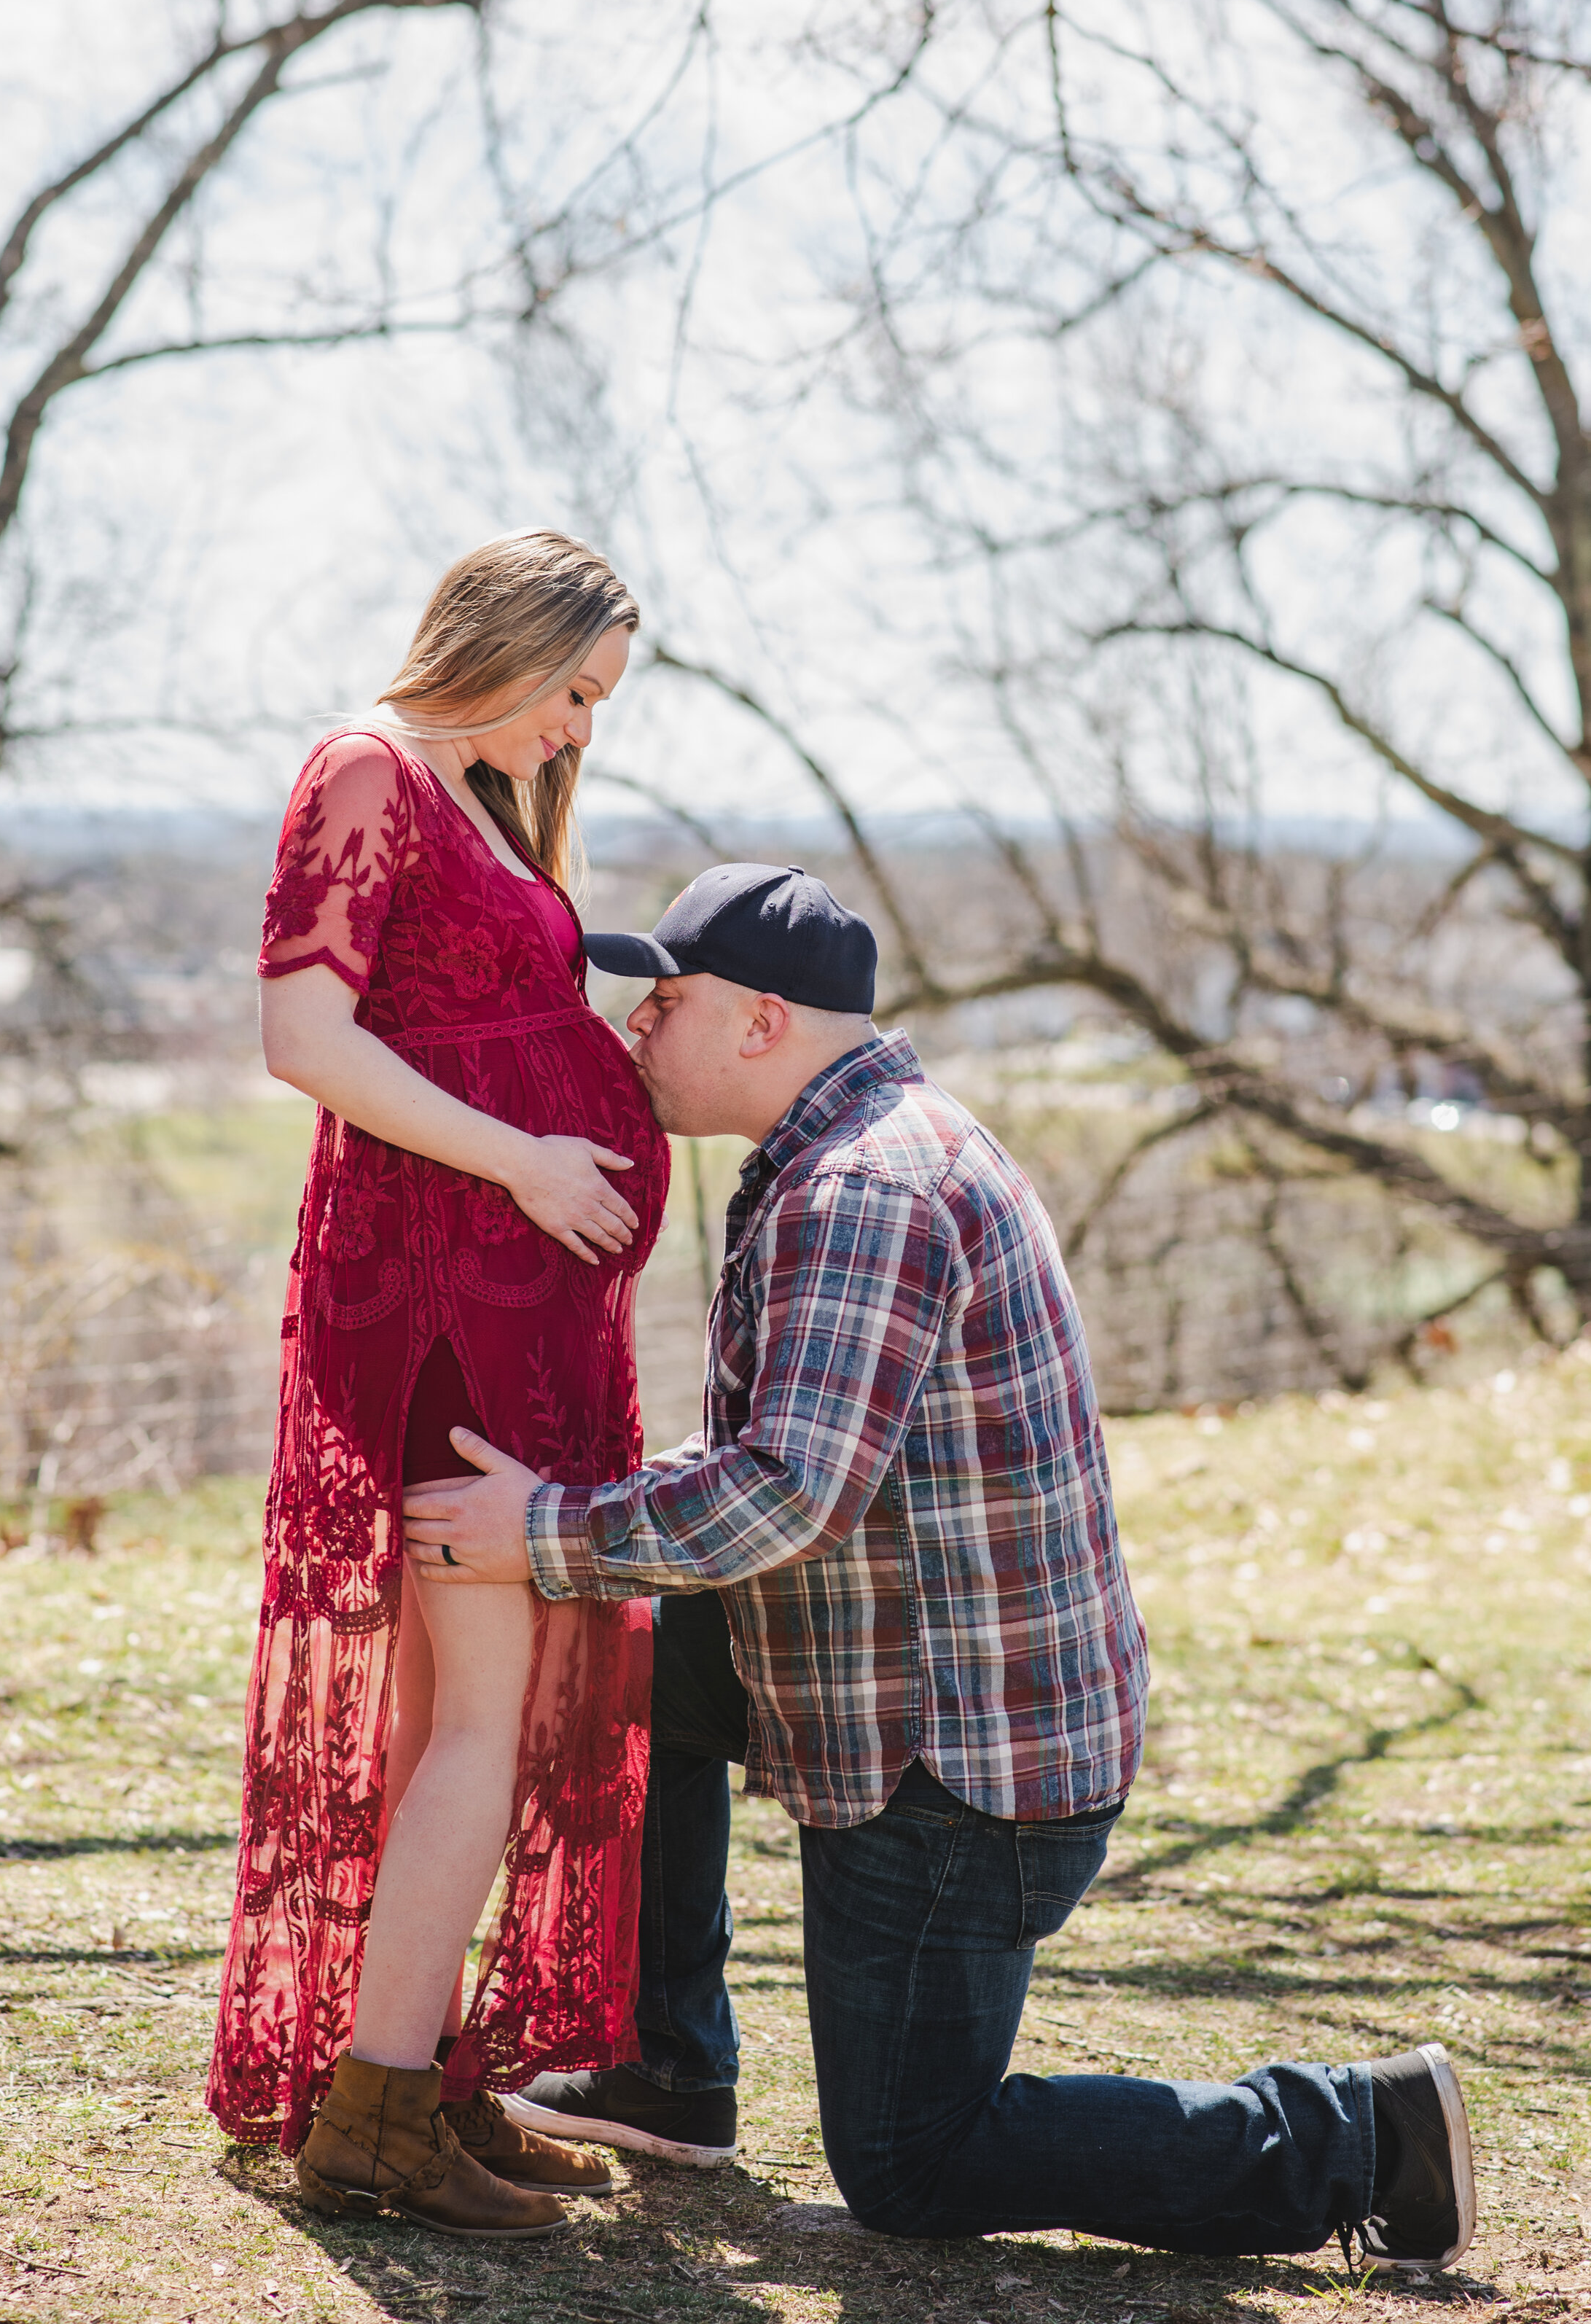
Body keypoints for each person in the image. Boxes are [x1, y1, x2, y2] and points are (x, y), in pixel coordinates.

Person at [402, 862, 1479, 2273]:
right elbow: (787, 1454)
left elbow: (787, 1492)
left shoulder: (861, 1191)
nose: (633, 1027)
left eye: (663, 1001)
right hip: (917, 1673)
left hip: (957, 1768)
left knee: (909, 2159)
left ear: (759, 1021)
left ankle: (1359, 2134)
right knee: (640, 1665)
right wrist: (589, 1515)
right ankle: (669, 2070)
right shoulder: (850, 1145)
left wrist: (541, 1531)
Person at [206, 531, 671, 2242]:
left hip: (514, 1309)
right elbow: (304, 1038)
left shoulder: (476, 798)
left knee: (450, 1715)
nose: (579, 730)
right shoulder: (363, 768)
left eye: (595, 704)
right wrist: (531, 1161)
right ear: (504, 643)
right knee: (481, 1711)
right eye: (573, 690)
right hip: (434, 1307)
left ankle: (424, 2071)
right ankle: (378, 2121)